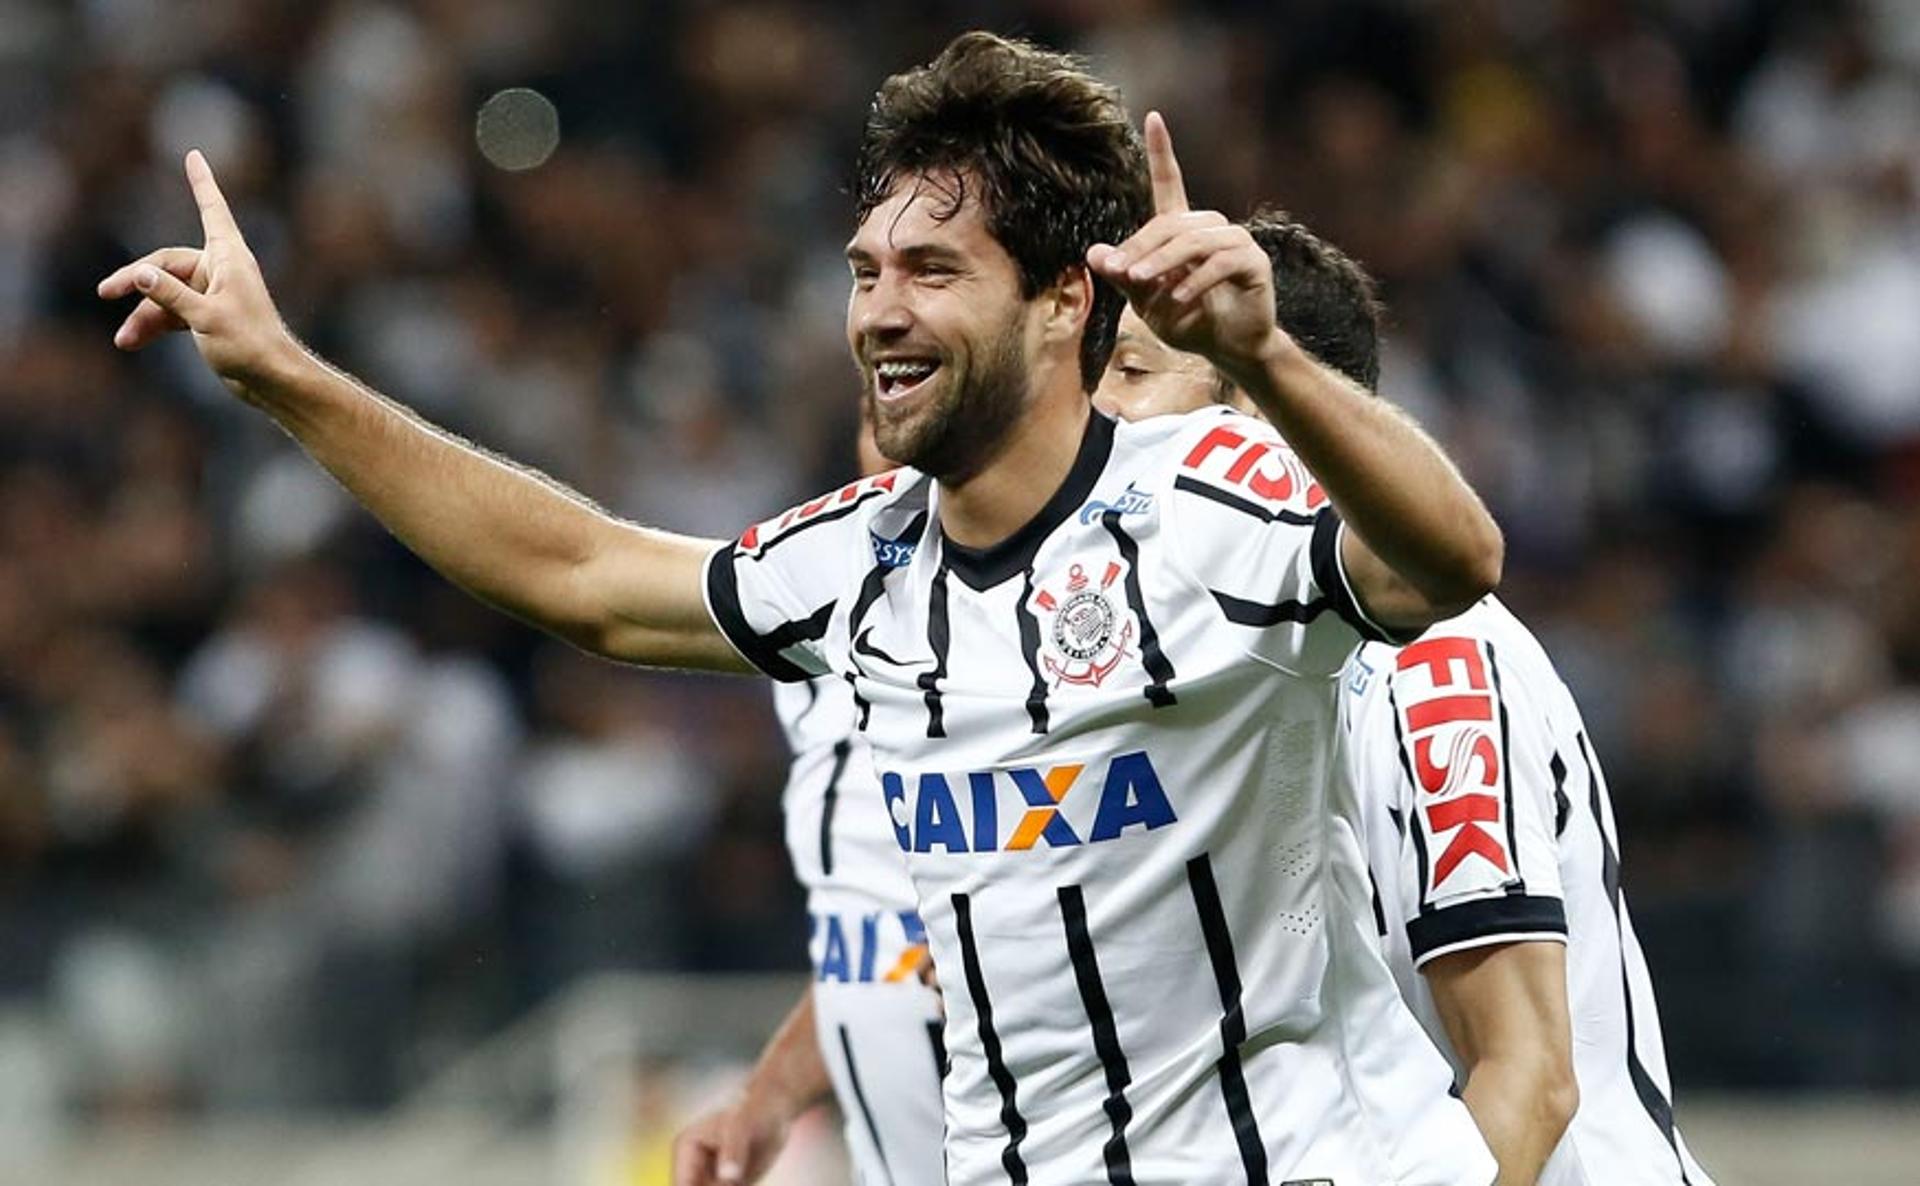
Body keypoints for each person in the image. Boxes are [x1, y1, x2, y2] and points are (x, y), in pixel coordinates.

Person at [100, 32, 1504, 1184]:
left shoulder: (1203, 495)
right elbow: (581, 575)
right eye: (867, 271)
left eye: (935, 272)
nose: (879, 312)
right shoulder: (865, 559)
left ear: (1065, 299)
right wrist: (286, 375)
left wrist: (1266, 355)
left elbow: (1448, 563)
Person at [1094, 209, 1715, 1186]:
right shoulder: (1219, 664)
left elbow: (1529, 1077)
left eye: (1130, 372)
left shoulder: (1430, 659)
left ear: (1255, 408)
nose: (1097, 410)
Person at [673, 422, 945, 1186]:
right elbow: (868, 941)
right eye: (879, 392)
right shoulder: (818, 613)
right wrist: (770, 1096)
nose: (895, 426)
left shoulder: (1068, 625)